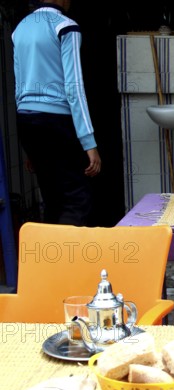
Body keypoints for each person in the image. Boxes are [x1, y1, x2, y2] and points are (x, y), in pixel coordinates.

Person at [12, 0, 101, 226]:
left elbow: (18, 85)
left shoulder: (20, 28)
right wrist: (89, 142)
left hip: (27, 119)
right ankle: (67, 259)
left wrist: (30, 145)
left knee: (52, 197)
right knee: (76, 198)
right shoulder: (66, 26)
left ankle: (50, 258)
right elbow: (74, 87)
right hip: (56, 121)